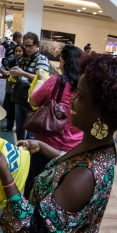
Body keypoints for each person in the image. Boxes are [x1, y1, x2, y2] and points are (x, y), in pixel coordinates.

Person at [0, 53, 117, 233]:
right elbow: (71, 161)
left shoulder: (84, 177)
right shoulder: (99, 146)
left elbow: (32, 231)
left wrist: (4, 173)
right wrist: (42, 146)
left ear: (102, 113)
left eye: (81, 96)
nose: (71, 101)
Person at [24, 44, 84, 196]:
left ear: (65, 61)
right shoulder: (85, 87)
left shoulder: (56, 81)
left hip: (46, 145)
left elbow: (33, 100)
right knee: (58, 189)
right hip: (73, 149)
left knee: (34, 184)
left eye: (61, 59)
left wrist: (41, 80)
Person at [9, 32, 50, 140]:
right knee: (19, 128)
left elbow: (43, 79)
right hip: (20, 98)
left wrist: (22, 73)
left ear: (36, 45)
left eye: (30, 46)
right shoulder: (24, 59)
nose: (27, 48)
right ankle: (20, 150)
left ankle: (29, 155)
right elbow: (21, 76)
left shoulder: (42, 60)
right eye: (25, 46)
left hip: (33, 101)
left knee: (31, 132)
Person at [0, 44, 25, 132]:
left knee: (18, 111)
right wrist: (5, 71)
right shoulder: (11, 59)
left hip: (19, 91)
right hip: (9, 89)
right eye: (16, 51)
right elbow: (2, 68)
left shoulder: (24, 61)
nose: (18, 53)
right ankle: (9, 126)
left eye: (20, 51)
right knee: (9, 109)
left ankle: (18, 128)